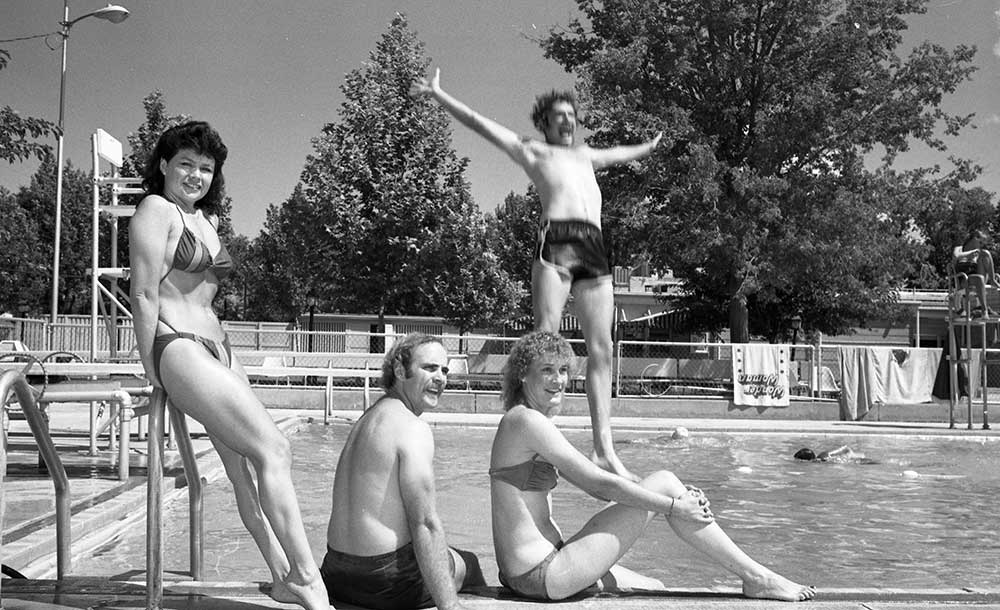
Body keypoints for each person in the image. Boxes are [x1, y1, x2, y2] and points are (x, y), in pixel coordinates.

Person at [411, 69, 661, 481]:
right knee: (546, 344)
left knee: (603, 348)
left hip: (594, 247)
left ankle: (604, 450)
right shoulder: (532, 151)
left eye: (572, 115)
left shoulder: (586, 155)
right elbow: (478, 123)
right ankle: (539, 437)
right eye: (559, 115)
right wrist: (439, 95)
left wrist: (647, 147)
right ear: (544, 122)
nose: (568, 121)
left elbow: (619, 153)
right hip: (557, 244)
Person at [129, 121, 331, 610]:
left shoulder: (207, 220)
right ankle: (310, 580)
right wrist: (152, 365)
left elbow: (205, 293)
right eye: (185, 164)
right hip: (178, 344)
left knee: (244, 471)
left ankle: (283, 577)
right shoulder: (155, 209)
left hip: (217, 345)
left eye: (205, 168)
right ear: (164, 165)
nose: (195, 175)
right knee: (275, 449)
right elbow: (144, 292)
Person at [490, 331, 816, 602]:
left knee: (655, 586)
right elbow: (598, 485)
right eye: (547, 370)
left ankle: (753, 574)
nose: (558, 379)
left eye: (563, 370)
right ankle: (757, 577)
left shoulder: (527, 422)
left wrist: (672, 498)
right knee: (665, 481)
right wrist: (674, 506)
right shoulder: (525, 421)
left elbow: (601, 488)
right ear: (523, 373)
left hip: (537, 566)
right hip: (543, 573)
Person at [322, 333, 485, 610]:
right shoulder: (412, 428)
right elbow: (425, 523)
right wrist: (450, 606)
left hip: (335, 574)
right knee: (469, 564)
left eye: (444, 370)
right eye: (430, 368)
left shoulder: (367, 419)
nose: (441, 378)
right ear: (400, 370)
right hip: (386, 582)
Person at [951, 229, 997, 317]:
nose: (981, 245)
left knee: (985, 253)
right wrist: (969, 253)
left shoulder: (977, 254)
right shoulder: (959, 248)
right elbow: (956, 256)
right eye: (980, 243)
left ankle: (993, 280)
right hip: (963, 280)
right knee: (979, 278)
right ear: (975, 238)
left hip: (976, 280)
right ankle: (984, 310)